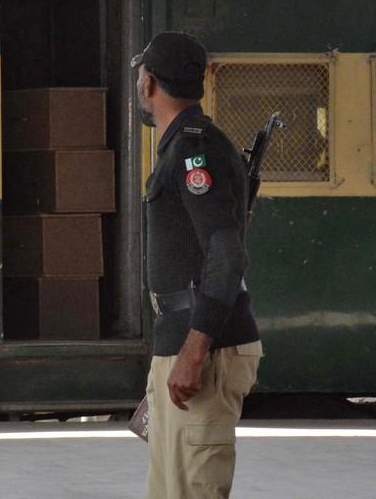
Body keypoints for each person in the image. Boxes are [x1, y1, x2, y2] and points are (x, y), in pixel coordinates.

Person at [133, 32, 264, 499]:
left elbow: (226, 254)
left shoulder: (195, 151)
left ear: (149, 84)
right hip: (183, 338)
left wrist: (193, 350)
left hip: (204, 347)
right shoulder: (185, 145)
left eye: (140, 76)